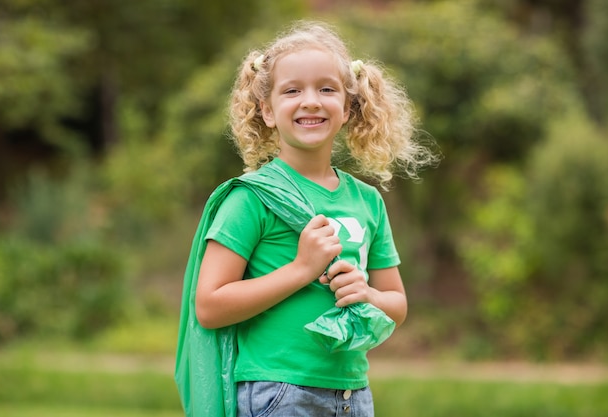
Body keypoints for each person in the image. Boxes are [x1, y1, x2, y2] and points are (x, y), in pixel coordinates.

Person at [176, 20, 437, 417]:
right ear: (267, 110)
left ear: (349, 108)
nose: (311, 101)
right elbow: (209, 306)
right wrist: (301, 268)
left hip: (353, 394)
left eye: (327, 89)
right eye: (292, 90)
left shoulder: (367, 201)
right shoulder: (252, 199)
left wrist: (366, 294)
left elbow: (396, 304)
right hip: (278, 392)